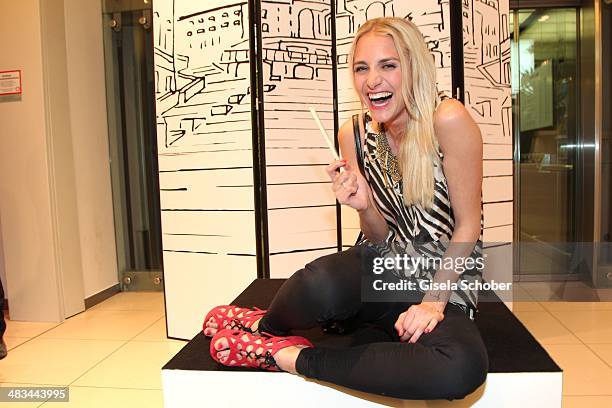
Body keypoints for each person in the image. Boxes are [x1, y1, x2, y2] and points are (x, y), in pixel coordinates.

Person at [203, 17, 488, 400]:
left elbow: (468, 226)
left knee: (460, 369)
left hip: (443, 282)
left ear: (414, 67)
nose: (372, 81)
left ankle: (287, 356)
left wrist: (432, 305)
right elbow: (378, 239)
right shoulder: (352, 134)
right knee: (319, 282)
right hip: (383, 271)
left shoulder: (448, 120)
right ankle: (266, 327)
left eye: (388, 65)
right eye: (361, 68)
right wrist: (364, 206)